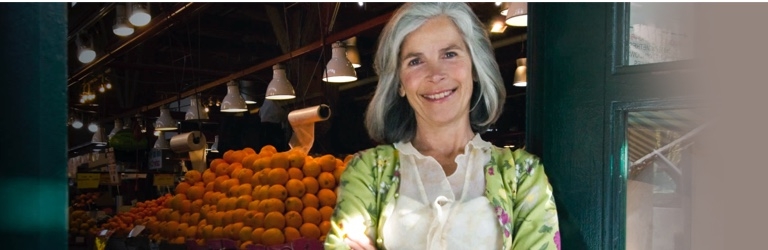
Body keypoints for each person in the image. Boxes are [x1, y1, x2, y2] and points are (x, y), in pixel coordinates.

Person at [325, 3, 560, 250]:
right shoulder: (367, 172)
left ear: (475, 68)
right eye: (415, 61)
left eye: (449, 54)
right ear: (400, 83)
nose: (435, 74)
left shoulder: (523, 175)